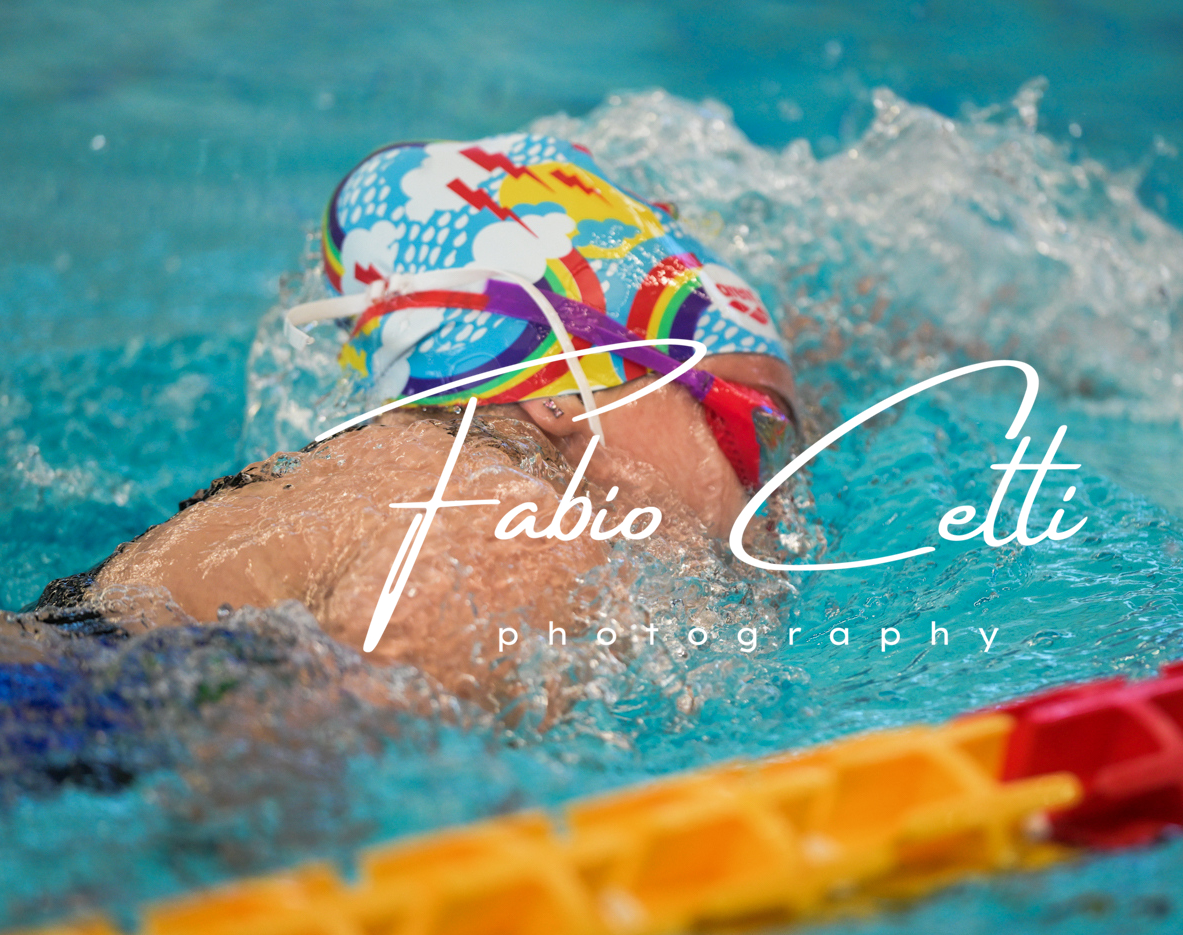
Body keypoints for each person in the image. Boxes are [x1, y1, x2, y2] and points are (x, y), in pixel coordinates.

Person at [44, 135, 799, 694]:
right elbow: (300, 788)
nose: (777, 502)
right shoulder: (518, 532)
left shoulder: (381, 474)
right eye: (756, 428)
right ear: (562, 393)